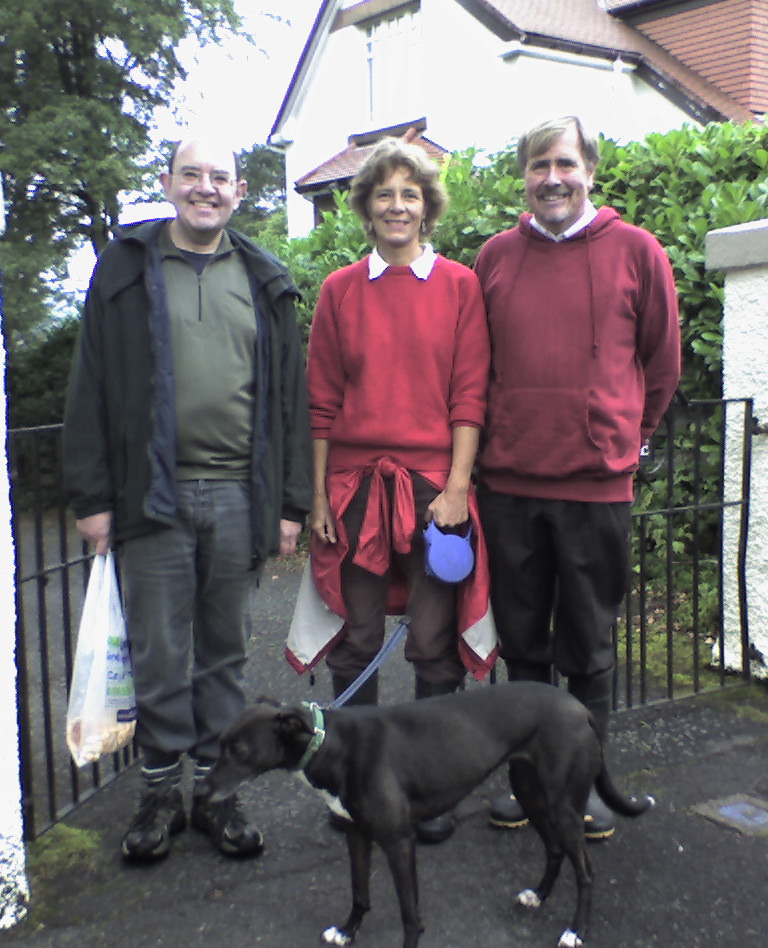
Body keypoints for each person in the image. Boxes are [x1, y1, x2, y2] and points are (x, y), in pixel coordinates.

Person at [63, 135, 312, 864]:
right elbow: (90, 384)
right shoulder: (124, 270)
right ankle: (160, 792)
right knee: (160, 653)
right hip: (152, 496)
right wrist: (91, 495)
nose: (206, 188)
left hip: (239, 494)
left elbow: (291, 402)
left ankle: (217, 791)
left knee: (225, 654)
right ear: (167, 183)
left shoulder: (266, 280)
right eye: (192, 174)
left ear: (240, 192)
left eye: (221, 177)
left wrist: (290, 504)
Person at [474, 115, 681, 838]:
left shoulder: (637, 251)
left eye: (564, 163)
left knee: (589, 649)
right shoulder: (494, 258)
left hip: (595, 488)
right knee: (525, 647)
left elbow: (661, 365)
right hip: (508, 486)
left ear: (590, 169)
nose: (552, 178)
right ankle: (530, 786)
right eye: (538, 165)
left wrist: (627, 438)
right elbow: (478, 367)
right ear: (524, 176)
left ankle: (583, 786)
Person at [286, 137, 497, 843]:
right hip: (353, 490)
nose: (397, 205)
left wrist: (459, 487)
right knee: (355, 638)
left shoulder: (461, 286)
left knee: (434, 645)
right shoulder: (340, 290)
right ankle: (356, 788)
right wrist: (317, 498)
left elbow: (470, 398)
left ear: (427, 206)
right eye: (385, 194)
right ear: (367, 209)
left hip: (435, 492)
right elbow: (321, 403)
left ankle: (430, 791)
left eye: (410, 193)